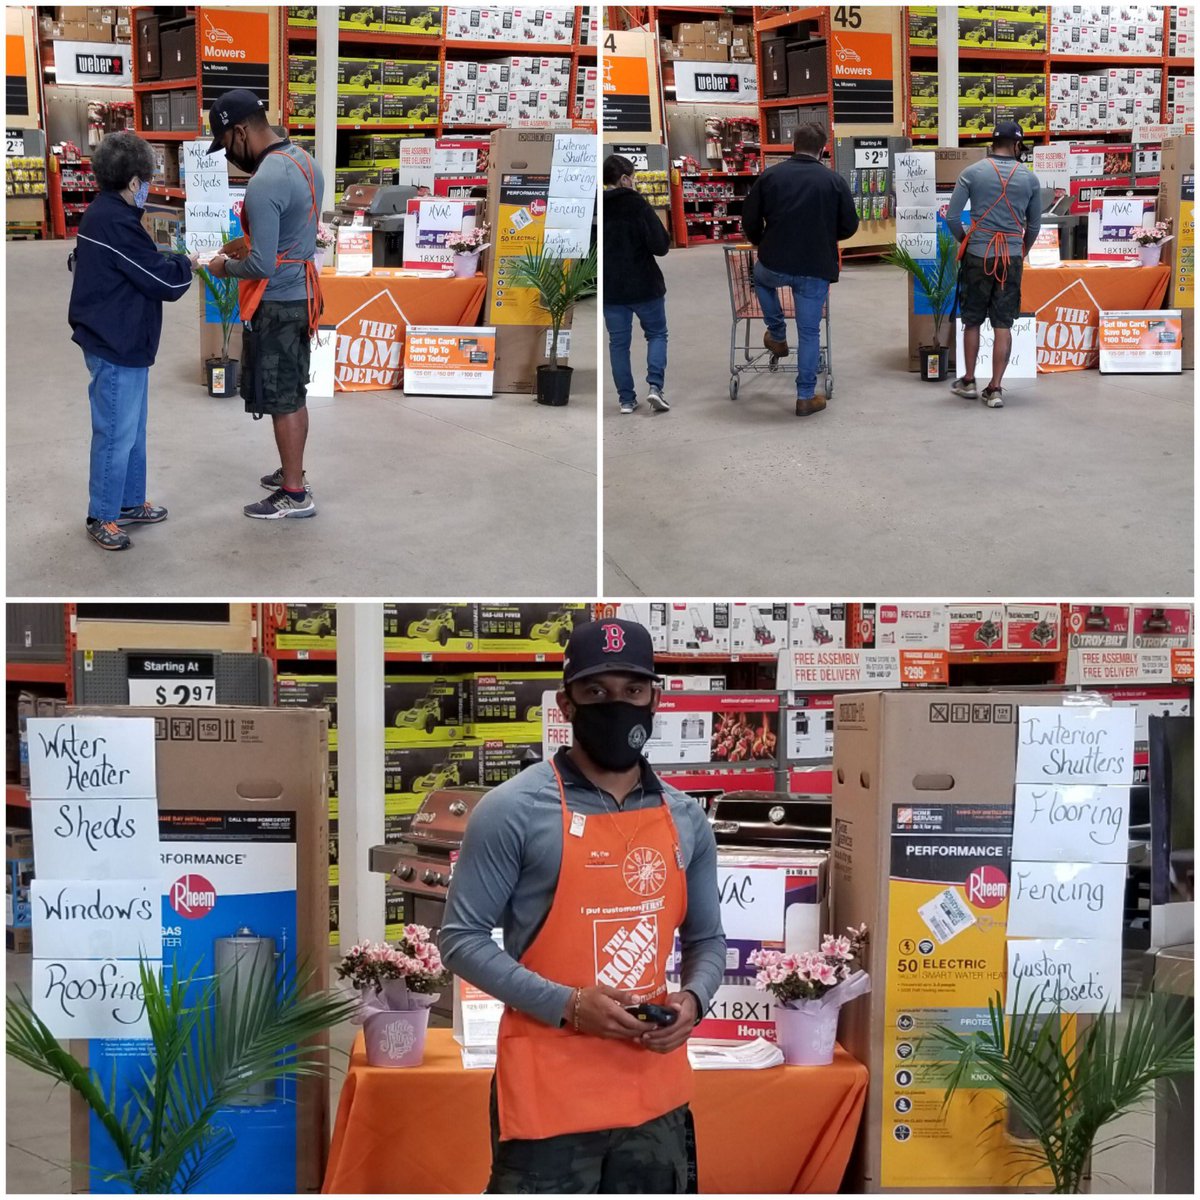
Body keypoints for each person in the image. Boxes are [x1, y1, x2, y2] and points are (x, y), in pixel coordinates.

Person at [441, 618, 726, 1193]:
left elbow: (707, 941)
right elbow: (461, 938)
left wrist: (694, 1000)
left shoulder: (686, 818)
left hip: (654, 1096)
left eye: (633, 691)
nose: (616, 705)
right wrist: (568, 1005)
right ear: (566, 704)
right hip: (550, 1102)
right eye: (596, 692)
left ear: (655, 699)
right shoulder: (512, 810)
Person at [68, 131, 196, 551]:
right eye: (147, 180)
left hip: (123, 339)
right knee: (115, 432)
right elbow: (159, 279)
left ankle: (128, 501)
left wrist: (171, 260)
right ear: (134, 182)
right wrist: (187, 264)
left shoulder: (103, 213)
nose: (148, 188)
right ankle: (102, 514)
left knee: (132, 429)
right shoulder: (115, 222)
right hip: (114, 342)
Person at [203, 89, 324, 519]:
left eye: (227, 146)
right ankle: (294, 472)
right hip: (303, 296)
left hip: (278, 303)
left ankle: (294, 494)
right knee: (294, 391)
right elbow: (292, 235)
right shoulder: (305, 162)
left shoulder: (265, 179)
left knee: (281, 399)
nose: (231, 157)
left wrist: (220, 266)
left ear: (240, 131)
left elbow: (261, 264)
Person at [742, 123, 858, 417]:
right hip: (816, 267)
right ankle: (805, 396)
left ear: (792, 144)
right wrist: (825, 236)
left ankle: (777, 332)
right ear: (822, 149)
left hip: (774, 262)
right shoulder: (833, 181)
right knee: (809, 333)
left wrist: (762, 242)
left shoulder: (770, 177)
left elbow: (750, 220)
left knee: (761, 279)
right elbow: (850, 225)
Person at [946, 120, 1041, 409]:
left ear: (992, 143)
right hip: (1010, 258)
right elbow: (1034, 225)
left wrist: (968, 240)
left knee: (972, 319)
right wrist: (1020, 251)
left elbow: (952, 217)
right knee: (1003, 323)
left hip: (977, 255)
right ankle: (996, 388)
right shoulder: (1029, 179)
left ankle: (969, 381)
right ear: (1016, 145)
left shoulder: (971, 173)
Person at [603, 154, 671, 414]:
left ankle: (626, 400)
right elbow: (661, 246)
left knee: (618, 344)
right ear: (624, 178)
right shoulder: (637, 204)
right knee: (656, 334)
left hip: (611, 289)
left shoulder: (597, 205)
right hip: (644, 285)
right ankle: (655, 388)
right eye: (632, 177)